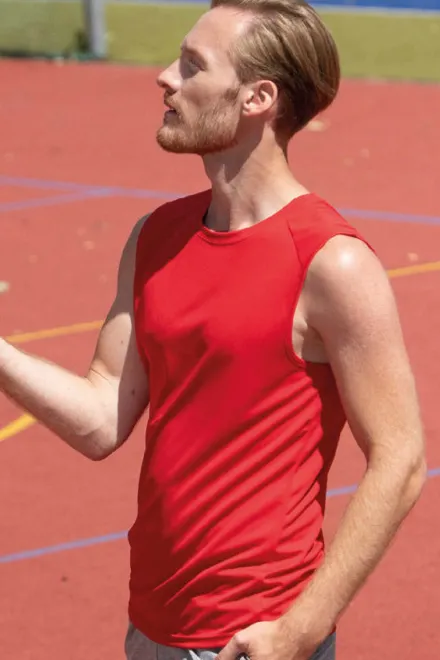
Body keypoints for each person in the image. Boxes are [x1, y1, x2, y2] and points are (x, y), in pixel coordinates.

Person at [0, 1, 426, 659]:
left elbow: (400, 460)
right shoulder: (155, 237)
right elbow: (100, 418)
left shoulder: (330, 262)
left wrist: (300, 630)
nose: (165, 78)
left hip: (250, 637)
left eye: (192, 66)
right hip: (152, 625)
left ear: (258, 98)